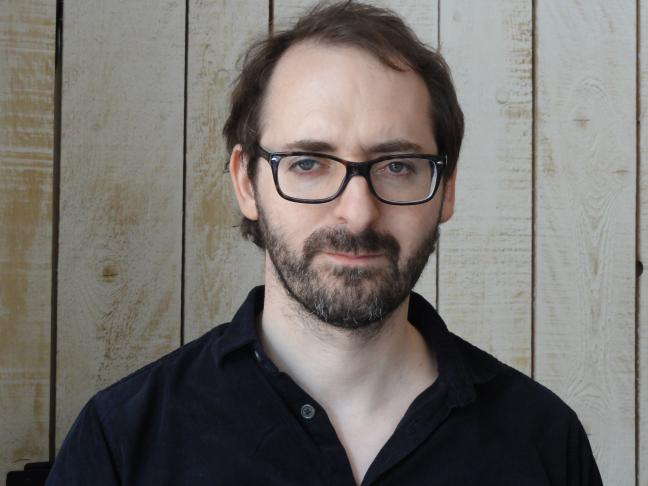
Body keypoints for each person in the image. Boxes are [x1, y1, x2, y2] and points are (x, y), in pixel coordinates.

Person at [46, 2, 603, 485]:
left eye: (398, 165)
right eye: (308, 163)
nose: (357, 213)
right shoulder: (123, 441)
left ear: (447, 189)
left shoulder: (544, 441)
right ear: (246, 183)